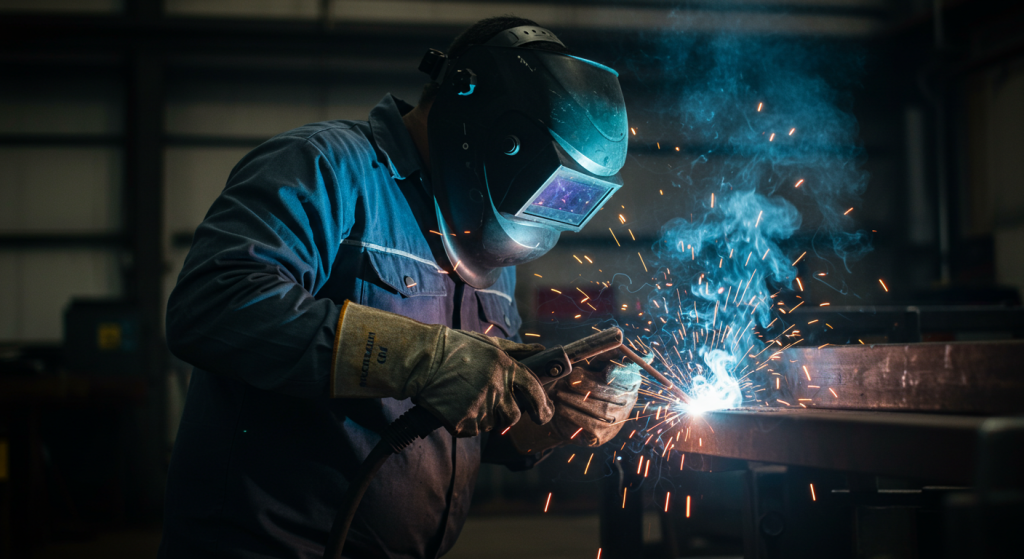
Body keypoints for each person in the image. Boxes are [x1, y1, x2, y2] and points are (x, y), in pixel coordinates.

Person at [159, 15, 640, 559]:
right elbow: (212, 305)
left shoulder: (485, 240)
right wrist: (421, 357)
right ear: (472, 107)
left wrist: (550, 417)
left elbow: (455, 421)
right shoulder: (325, 167)